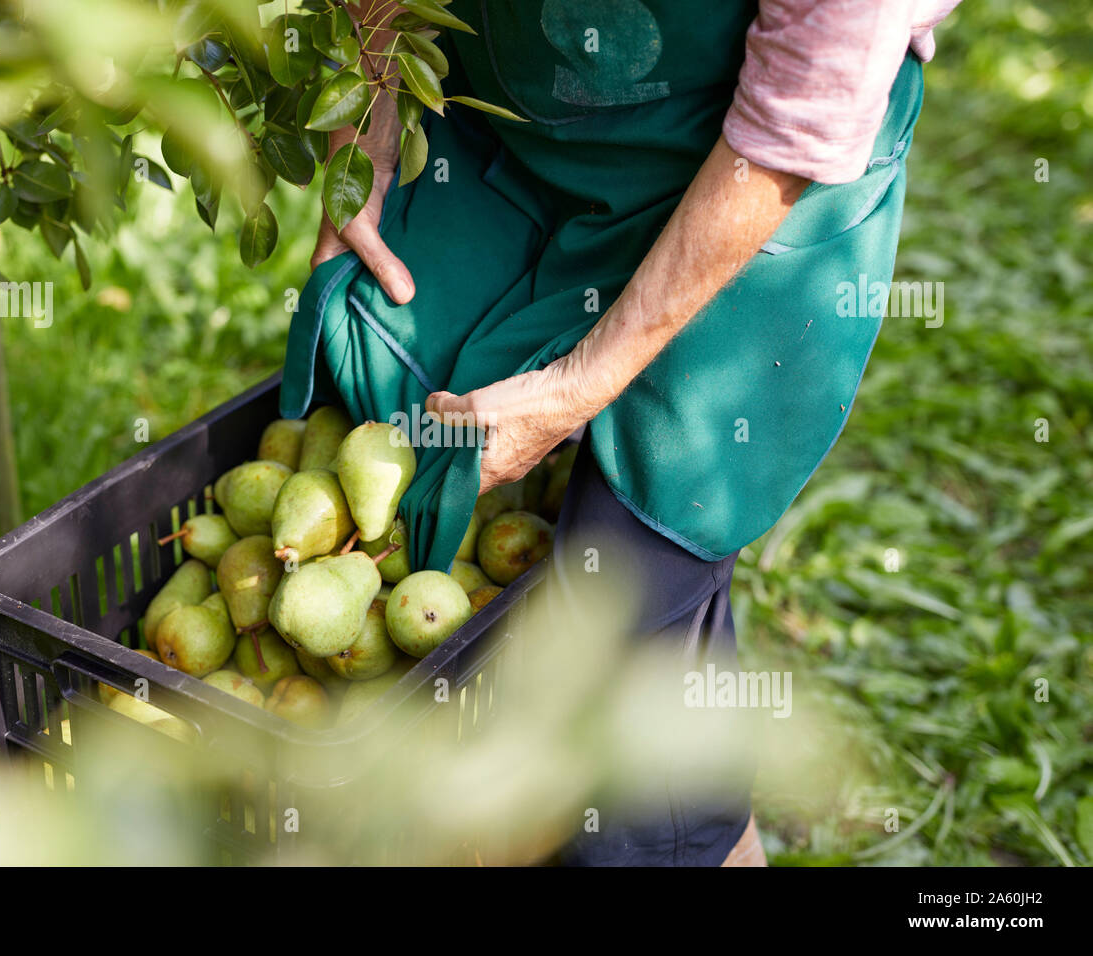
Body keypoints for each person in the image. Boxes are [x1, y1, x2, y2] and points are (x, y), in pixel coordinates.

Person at [286, 0, 962, 866]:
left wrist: (578, 384)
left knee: (627, 663)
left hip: (752, 185)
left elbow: (801, 115)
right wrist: (362, 156)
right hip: (508, 136)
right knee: (386, 405)